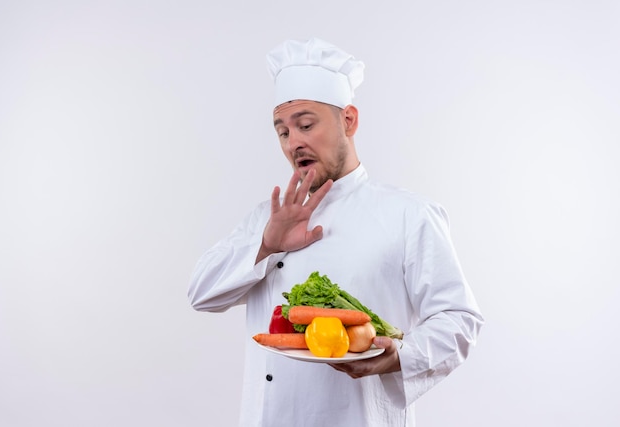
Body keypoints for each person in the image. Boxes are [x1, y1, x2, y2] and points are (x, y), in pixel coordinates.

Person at [188, 37, 483, 427]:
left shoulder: (409, 214)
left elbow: (459, 318)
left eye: (306, 124)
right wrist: (266, 246)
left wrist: (400, 355)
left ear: (349, 120)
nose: (294, 142)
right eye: (283, 132)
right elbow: (200, 294)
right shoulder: (269, 218)